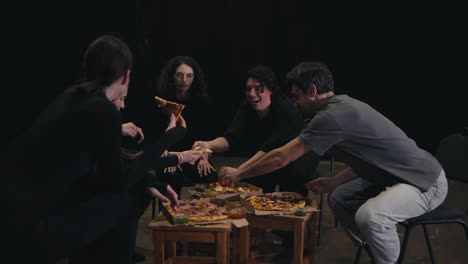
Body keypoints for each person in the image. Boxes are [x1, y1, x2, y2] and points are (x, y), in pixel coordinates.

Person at [218, 61, 448, 264]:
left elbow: (281, 157)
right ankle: (380, 244)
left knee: (370, 216)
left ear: (313, 91)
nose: (295, 103)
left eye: (297, 96)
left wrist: (240, 174)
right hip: (392, 176)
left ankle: (384, 250)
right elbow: (368, 159)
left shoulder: (330, 117)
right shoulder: (340, 105)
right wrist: (333, 181)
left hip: (425, 182)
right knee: (338, 198)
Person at [4, 34, 197, 264]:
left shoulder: (72, 99)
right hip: (28, 229)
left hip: (13, 216)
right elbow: (118, 181)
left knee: (128, 192)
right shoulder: (101, 109)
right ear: (126, 75)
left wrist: (148, 181)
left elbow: (103, 169)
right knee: (126, 199)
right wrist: (171, 137)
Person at [194, 65, 318, 196]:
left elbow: (270, 150)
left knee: (291, 178)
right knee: (252, 184)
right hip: (270, 156)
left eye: (258, 89)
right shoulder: (247, 107)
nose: (251, 94)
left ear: (271, 90)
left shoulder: (286, 110)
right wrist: (208, 145)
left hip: (298, 156)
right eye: (248, 89)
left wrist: (239, 171)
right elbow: (231, 138)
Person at [154, 56, 218, 194]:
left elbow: (205, 135)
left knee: (208, 173)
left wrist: (203, 157)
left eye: (189, 76)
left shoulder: (202, 102)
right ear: (172, 76)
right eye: (179, 75)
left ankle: (201, 211)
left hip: (194, 152)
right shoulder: (162, 100)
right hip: (169, 152)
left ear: (194, 78)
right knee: (170, 175)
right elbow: (156, 134)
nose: (184, 80)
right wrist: (168, 157)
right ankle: (170, 211)